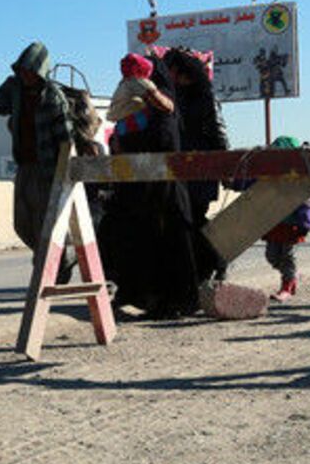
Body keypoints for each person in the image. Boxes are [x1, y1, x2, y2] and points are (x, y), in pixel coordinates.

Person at [97, 51, 218, 316]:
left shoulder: (164, 107)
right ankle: (138, 295)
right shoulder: (132, 107)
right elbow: (118, 140)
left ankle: (175, 301)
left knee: (172, 243)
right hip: (137, 188)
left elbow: (166, 140)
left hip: (165, 189)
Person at [0, 41, 74, 251]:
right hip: (24, 166)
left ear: (40, 71)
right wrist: (11, 84)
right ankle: (50, 259)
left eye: (29, 70)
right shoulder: (16, 91)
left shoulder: (53, 97)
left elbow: (66, 139)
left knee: (45, 224)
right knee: (22, 224)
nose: (25, 75)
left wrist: (63, 174)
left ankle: (55, 263)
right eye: (22, 70)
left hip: (46, 169)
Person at [163, 48, 228, 230]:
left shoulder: (204, 96)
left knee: (194, 223)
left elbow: (217, 131)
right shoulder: (172, 96)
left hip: (199, 171)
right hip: (178, 172)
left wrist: (226, 166)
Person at [260, 136, 310, 302]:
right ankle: (290, 278)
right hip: (274, 223)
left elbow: (305, 203)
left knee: (287, 255)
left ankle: (287, 285)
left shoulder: (298, 178)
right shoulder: (269, 176)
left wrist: (305, 223)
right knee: (272, 256)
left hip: (292, 224)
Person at [107, 52, 173, 148]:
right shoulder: (138, 81)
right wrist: (168, 104)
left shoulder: (122, 85)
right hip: (135, 125)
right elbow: (162, 104)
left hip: (121, 127)